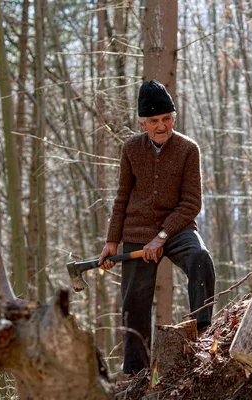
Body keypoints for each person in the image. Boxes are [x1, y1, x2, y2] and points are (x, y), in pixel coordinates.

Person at [98, 80, 216, 375]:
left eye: (167, 119)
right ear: (142, 123)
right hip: (137, 232)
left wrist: (162, 236)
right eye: (154, 121)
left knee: (200, 259)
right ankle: (135, 371)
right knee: (134, 301)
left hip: (177, 229)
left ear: (173, 118)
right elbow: (122, 197)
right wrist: (112, 241)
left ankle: (202, 332)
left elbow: (191, 203)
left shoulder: (189, 149)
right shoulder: (130, 150)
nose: (162, 126)